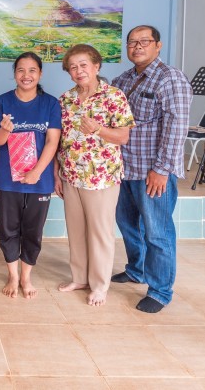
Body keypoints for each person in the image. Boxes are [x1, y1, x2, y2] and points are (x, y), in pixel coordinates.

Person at [111, 25, 192, 313]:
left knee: (157, 232)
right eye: (132, 42)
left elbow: (176, 126)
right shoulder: (122, 80)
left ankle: (159, 291)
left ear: (158, 46)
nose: (137, 46)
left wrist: (162, 169)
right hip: (124, 169)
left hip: (152, 172)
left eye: (144, 41)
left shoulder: (170, 79)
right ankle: (137, 270)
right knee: (127, 224)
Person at [54, 44, 134, 307]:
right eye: (73, 67)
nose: (79, 71)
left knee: (99, 232)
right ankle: (79, 277)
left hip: (101, 176)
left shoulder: (113, 96)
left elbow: (122, 136)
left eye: (83, 65)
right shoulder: (66, 99)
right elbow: (59, 140)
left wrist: (99, 129)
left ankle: (100, 284)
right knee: (76, 230)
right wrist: (57, 172)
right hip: (70, 173)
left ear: (96, 66)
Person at [0, 52, 61, 299]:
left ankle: (26, 276)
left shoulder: (50, 103)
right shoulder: (3, 102)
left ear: (40, 74)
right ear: (14, 74)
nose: (26, 75)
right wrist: (5, 131)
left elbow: (53, 141)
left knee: (33, 230)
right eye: (21, 70)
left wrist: (37, 172)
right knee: (8, 229)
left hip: (40, 181)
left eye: (32, 70)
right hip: (9, 180)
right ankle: (12, 274)